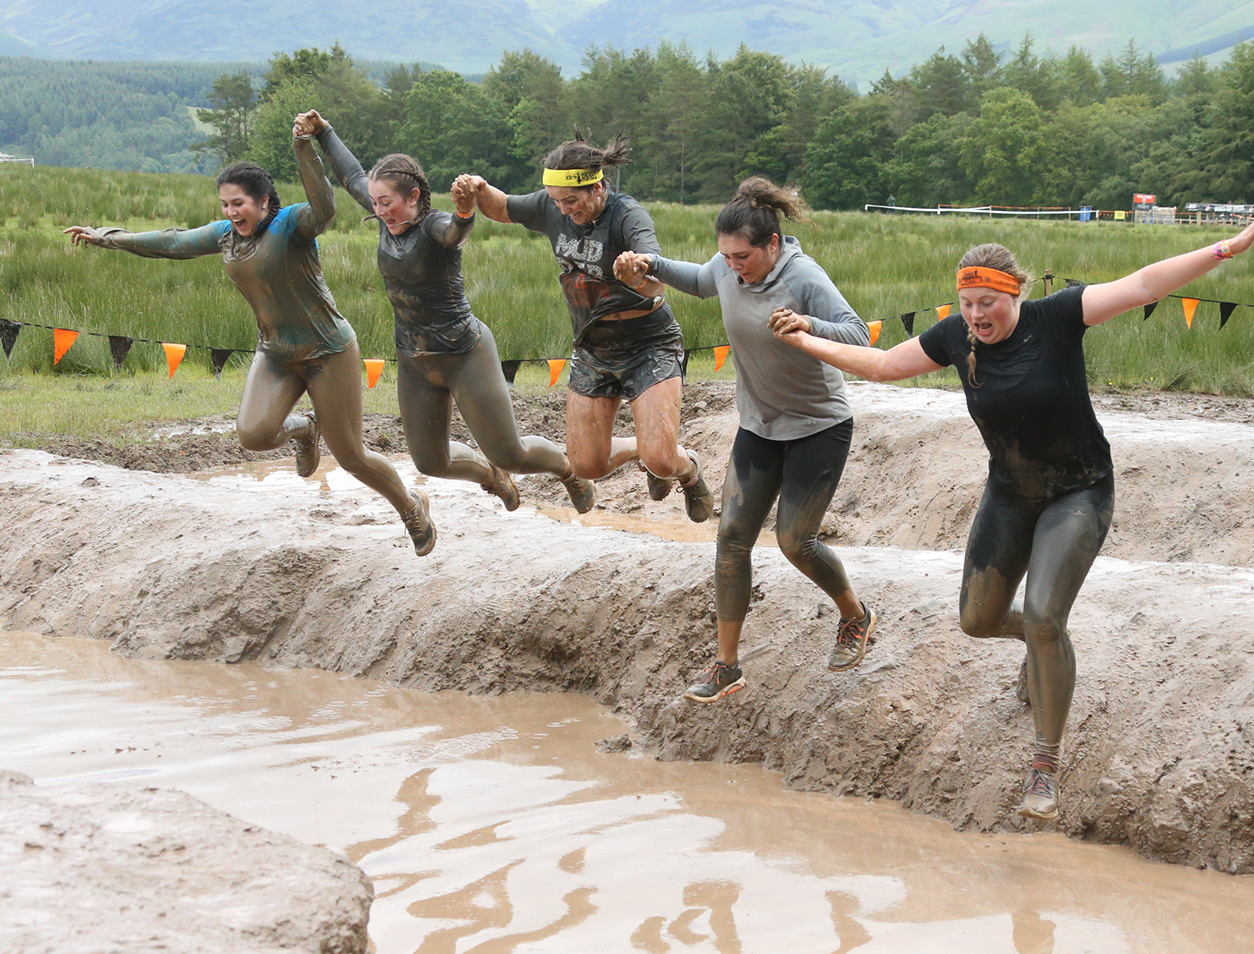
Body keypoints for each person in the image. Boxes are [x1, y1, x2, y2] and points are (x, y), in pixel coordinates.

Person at [773, 203, 1254, 820]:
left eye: (987, 303)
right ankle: (1044, 647)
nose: (976, 315)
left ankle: (1045, 764)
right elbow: (882, 366)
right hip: (1010, 494)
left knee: (1044, 615)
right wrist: (805, 340)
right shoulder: (955, 337)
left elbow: (1145, 283)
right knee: (977, 620)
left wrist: (1227, 247)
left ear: (1013, 294)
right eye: (967, 303)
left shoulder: (1058, 317)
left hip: (1079, 492)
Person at [64, 122, 437, 555]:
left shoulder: (293, 224)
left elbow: (325, 206)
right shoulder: (224, 237)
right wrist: (107, 237)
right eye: (225, 204)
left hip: (328, 352)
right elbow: (173, 242)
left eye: (238, 203)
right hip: (276, 353)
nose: (231, 212)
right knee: (254, 435)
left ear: (262, 201)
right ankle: (305, 429)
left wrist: (303, 147)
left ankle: (411, 507)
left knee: (352, 456)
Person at [614, 178, 873, 703]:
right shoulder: (726, 267)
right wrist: (648, 264)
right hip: (759, 426)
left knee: (795, 541)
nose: (734, 267)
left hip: (818, 427)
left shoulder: (802, 275)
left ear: (772, 244)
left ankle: (855, 616)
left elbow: (859, 334)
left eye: (743, 257)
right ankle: (726, 666)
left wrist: (807, 323)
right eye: (727, 257)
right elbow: (698, 278)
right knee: (731, 538)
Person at [297, 110, 595, 514]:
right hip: (415, 359)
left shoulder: (435, 226)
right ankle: (492, 478)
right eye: (375, 202)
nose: (379, 210)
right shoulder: (386, 217)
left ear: (413, 197)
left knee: (511, 454)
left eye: (387, 202)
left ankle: (569, 471)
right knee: (430, 463)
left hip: (464, 354)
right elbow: (351, 174)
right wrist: (324, 131)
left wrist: (465, 211)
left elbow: (456, 234)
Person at [455, 134, 714, 522]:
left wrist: (636, 276)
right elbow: (503, 207)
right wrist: (478, 188)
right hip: (593, 346)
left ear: (596, 187)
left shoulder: (628, 216)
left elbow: (656, 281)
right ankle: (643, 450)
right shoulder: (553, 206)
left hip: (648, 342)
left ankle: (687, 469)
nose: (563, 209)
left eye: (571, 201)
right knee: (587, 465)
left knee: (662, 459)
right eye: (556, 201)